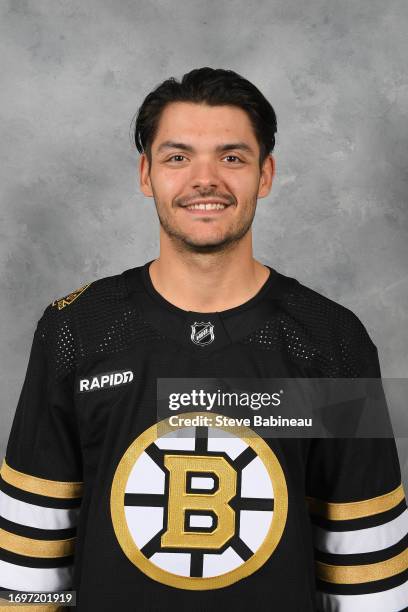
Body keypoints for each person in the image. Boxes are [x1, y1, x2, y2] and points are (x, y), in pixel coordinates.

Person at [0, 67, 407, 611]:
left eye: (232, 157)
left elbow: (367, 566)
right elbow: (30, 553)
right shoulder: (76, 328)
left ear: (266, 174)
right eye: (178, 157)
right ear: (146, 174)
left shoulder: (331, 340)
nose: (205, 179)